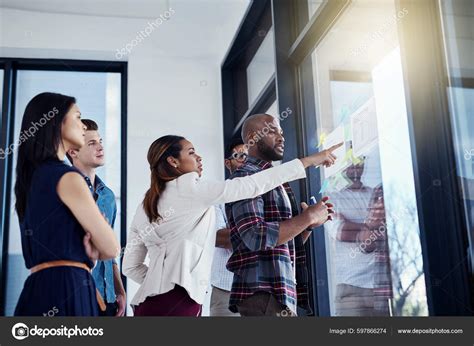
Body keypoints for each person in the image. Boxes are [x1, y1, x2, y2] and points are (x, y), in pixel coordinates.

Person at [123, 134, 341, 316]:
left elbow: (130, 266)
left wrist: (159, 283)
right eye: (191, 152)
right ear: (173, 161)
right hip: (178, 303)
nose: (199, 157)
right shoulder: (189, 187)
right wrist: (310, 160)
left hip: (147, 304)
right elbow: (251, 185)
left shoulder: (145, 205)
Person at [14, 92, 120, 316]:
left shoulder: (32, 179)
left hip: (37, 288)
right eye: (78, 118)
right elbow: (111, 248)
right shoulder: (69, 178)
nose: (83, 126)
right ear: (57, 123)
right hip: (68, 287)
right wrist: (93, 251)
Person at [226, 114, 335, 317]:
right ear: (252, 136)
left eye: (282, 132)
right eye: (273, 130)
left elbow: (281, 245)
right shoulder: (246, 177)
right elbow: (255, 236)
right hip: (263, 294)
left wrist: (308, 226)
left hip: (278, 293)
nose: (282, 137)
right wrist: (307, 218)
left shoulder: (275, 180)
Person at [67, 119, 126, 317]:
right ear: (73, 152)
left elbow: (110, 252)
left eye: (100, 141)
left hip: (107, 299)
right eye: (91, 143)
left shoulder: (108, 196)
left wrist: (119, 289)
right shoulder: (64, 191)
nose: (100, 147)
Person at [209, 138, 248, 316]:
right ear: (228, 162)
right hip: (227, 288)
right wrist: (260, 233)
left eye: (248, 156)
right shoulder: (218, 195)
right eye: (239, 156)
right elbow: (219, 237)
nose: (245, 160)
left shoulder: (268, 194)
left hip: (266, 290)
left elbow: (285, 238)